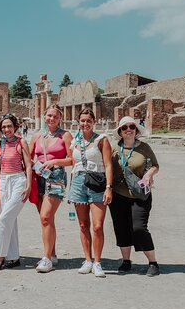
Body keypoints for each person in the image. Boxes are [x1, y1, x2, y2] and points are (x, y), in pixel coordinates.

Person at [109, 116, 161, 276]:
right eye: (124, 128)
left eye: (132, 126)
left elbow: (155, 165)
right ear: (120, 131)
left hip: (140, 195)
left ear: (136, 130)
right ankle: (126, 261)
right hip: (118, 195)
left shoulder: (144, 147)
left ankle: (153, 262)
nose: (128, 130)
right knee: (121, 228)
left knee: (139, 228)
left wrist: (149, 174)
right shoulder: (114, 148)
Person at [68, 108, 113, 278]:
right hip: (79, 183)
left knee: (98, 226)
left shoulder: (102, 140)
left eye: (88, 120)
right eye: (82, 120)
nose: (85, 123)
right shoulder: (75, 141)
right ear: (78, 122)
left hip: (98, 183)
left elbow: (108, 165)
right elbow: (73, 163)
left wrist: (109, 187)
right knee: (82, 225)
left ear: (94, 122)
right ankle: (87, 260)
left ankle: (98, 262)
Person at [29, 104, 73, 273]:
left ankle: (46, 259)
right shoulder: (37, 136)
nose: (51, 119)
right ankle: (52, 254)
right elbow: (30, 157)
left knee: (45, 217)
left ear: (60, 118)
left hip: (56, 178)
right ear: (44, 116)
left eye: (55, 116)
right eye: (49, 116)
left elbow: (72, 160)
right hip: (39, 178)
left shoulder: (65, 136)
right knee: (47, 219)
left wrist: (55, 162)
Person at [0, 114, 32, 271]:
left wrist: (28, 185)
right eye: (3, 127)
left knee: (4, 218)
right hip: (3, 181)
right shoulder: (0, 142)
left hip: (18, 181)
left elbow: (28, 165)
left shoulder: (21, 142)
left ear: (15, 127)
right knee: (10, 220)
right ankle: (13, 257)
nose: (6, 129)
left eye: (9, 126)